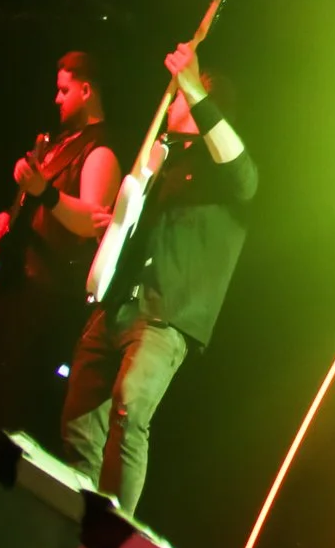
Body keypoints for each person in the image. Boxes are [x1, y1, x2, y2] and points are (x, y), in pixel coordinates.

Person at [61, 41, 255, 513]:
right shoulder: (159, 163)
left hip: (165, 316)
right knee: (79, 423)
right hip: (117, 304)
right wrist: (119, 227)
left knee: (129, 410)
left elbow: (242, 172)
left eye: (183, 96)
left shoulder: (223, 171)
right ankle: (75, 522)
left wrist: (193, 83)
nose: (173, 100)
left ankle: (114, 535)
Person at [0, 52, 119, 442]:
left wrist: (44, 191)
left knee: (12, 406)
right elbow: (39, 206)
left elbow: (90, 224)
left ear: (86, 90)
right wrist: (10, 221)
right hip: (17, 289)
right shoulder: (58, 142)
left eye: (64, 90)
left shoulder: (100, 151)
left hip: (47, 300)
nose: (56, 99)